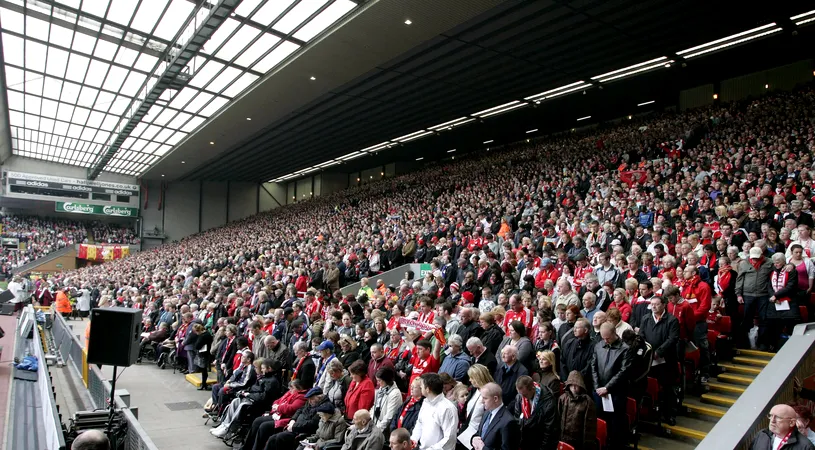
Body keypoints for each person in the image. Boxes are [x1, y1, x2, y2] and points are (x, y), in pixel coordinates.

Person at [638, 296, 679, 425]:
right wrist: (646, 351)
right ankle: (652, 414)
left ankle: (669, 414)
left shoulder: (672, 320)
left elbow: (672, 339)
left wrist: (659, 352)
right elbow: (641, 336)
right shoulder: (646, 318)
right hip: (649, 360)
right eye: (652, 304)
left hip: (666, 360)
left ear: (663, 305)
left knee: (668, 388)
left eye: (656, 304)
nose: (653, 307)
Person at [591, 322, 631, 448]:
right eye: (603, 338)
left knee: (615, 423)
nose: (605, 340)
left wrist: (607, 388)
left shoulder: (625, 349)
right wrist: (598, 386)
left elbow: (623, 371)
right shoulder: (599, 345)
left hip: (616, 393)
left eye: (607, 338)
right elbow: (593, 366)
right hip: (599, 391)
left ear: (614, 333)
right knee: (600, 420)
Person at [238, 380, 308, 450]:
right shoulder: (291, 393)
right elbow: (278, 400)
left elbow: (291, 408)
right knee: (257, 421)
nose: (290, 390)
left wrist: (278, 407)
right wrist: (276, 405)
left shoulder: (302, 397)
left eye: (292, 388)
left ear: (299, 388)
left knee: (264, 426)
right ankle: (247, 446)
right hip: (279, 414)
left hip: (286, 417)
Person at [736, 247, 773, 351]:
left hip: (763, 294)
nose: (755, 260)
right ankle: (745, 342)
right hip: (748, 294)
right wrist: (738, 294)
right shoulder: (744, 263)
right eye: (753, 258)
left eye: (757, 258)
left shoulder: (769, 263)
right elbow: (739, 279)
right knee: (746, 318)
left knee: (764, 319)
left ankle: (763, 343)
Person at [411, 373, 459, 450]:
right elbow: (419, 423)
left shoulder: (447, 409)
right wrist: (413, 440)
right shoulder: (426, 402)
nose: (420, 387)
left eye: (422, 386)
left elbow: (449, 439)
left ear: (427, 389)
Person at [513, 375, 559, 450]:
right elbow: (517, 419)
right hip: (525, 443)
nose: (522, 398)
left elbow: (549, 432)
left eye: (524, 395)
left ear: (533, 388)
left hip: (539, 444)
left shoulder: (549, 403)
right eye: (520, 394)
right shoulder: (520, 397)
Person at [766, 252, 800, 351]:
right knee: (774, 326)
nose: (776, 264)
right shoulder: (772, 271)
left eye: (778, 262)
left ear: (784, 261)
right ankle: (774, 346)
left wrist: (776, 295)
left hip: (788, 302)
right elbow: (769, 286)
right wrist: (773, 295)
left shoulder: (791, 271)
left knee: (789, 324)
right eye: (774, 263)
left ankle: (791, 347)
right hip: (775, 303)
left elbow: (790, 286)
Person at [471, 382, 519, 450]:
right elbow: (480, 433)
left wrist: (483, 448)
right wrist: (473, 438)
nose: (482, 401)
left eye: (485, 398)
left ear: (495, 399)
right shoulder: (486, 413)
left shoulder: (508, 422)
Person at [558, 370, 596, 450]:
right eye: (571, 384)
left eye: (576, 385)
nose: (574, 387)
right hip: (563, 438)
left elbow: (589, 429)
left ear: (581, 385)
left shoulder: (588, 402)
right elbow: (557, 419)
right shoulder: (562, 398)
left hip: (578, 441)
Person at [750, 404, 815, 450]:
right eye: (771, 415)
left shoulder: (805, 446)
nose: (772, 420)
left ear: (791, 422)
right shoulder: (761, 435)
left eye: (778, 417)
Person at [559, 318, 593, 391]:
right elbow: (562, 361)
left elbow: (589, 367)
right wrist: (566, 379)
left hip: (584, 385)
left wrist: (575, 380)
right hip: (567, 383)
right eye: (574, 327)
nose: (574, 330)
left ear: (586, 330)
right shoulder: (569, 343)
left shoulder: (593, 346)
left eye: (577, 328)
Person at [372, 367, 403, 437]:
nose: (377, 383)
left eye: (379, 381)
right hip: (376, 424)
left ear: (386, 380)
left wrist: (377, 430)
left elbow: (389, 416)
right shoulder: (381, 388)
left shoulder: (395, 393)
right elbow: (374, 406)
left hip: (385, 430)